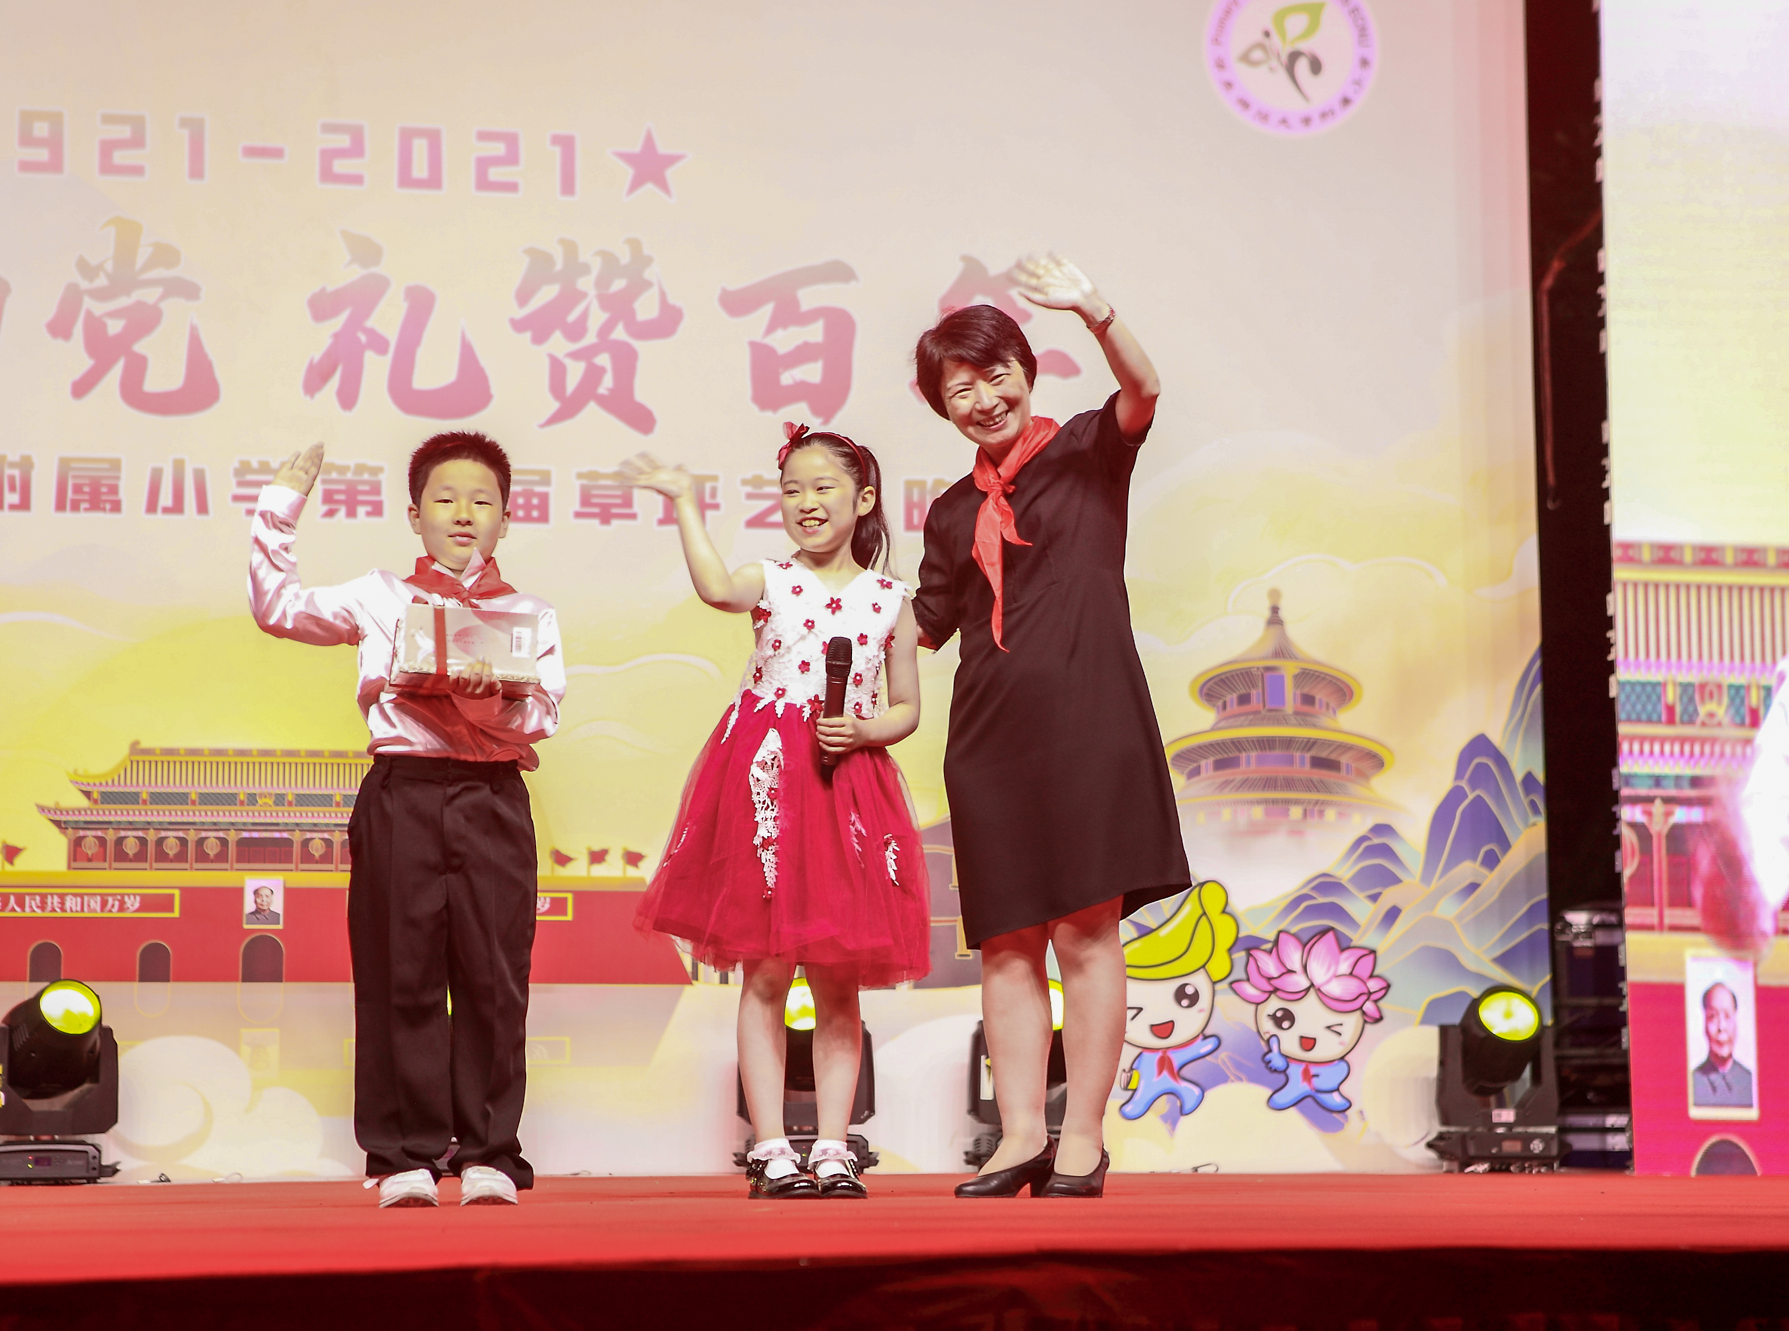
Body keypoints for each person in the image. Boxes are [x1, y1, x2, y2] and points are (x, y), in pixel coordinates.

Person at [912, 255, 1192, 1199]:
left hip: (1089, 721)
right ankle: (1020, 1135)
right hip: (987, 742)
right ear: (943, 408)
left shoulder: (1086, 449)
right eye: (960, 390)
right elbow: (925, 622)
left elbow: (1145, 390)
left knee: (1085, 931)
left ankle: (1084, 1136)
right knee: (1005, 942)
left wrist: (1096, 311)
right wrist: (814, 608)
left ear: (1026, 373)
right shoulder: (951, 512)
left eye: (995, 376)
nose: (983, 400)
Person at [249, 431, 564, 1210]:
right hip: (404, 792)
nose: (463, 513)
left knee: (494, 977)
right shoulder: (378, 595)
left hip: (492, 797)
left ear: (506, 519)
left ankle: (488, 1151)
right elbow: (278, 609)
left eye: (482, 501)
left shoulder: (530, 613)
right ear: (414, 514)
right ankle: (403, 1154)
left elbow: (544, 716)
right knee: (400, 972)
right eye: (444, 498)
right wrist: (278, 508)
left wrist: (499, 696)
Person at [625, 425, 931, 1200]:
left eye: (823, 486)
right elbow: (715, 588)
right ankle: (768, 1147)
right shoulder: (771, 578)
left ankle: (832, 1145)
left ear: (864, 498)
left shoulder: (890, 601)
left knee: (838, 982)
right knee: (765, 971)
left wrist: (863, 730)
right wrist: (685, 502)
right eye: (792, 489)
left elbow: (906, 707)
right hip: (766, 783)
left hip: (846, 784)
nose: (806, 502)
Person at [1692, 980, 1755, 1109]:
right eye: (1713, 1016)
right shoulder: (1692, 1083)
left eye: (1727, 1016)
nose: (1721, 1027)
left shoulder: (1752, 1083)